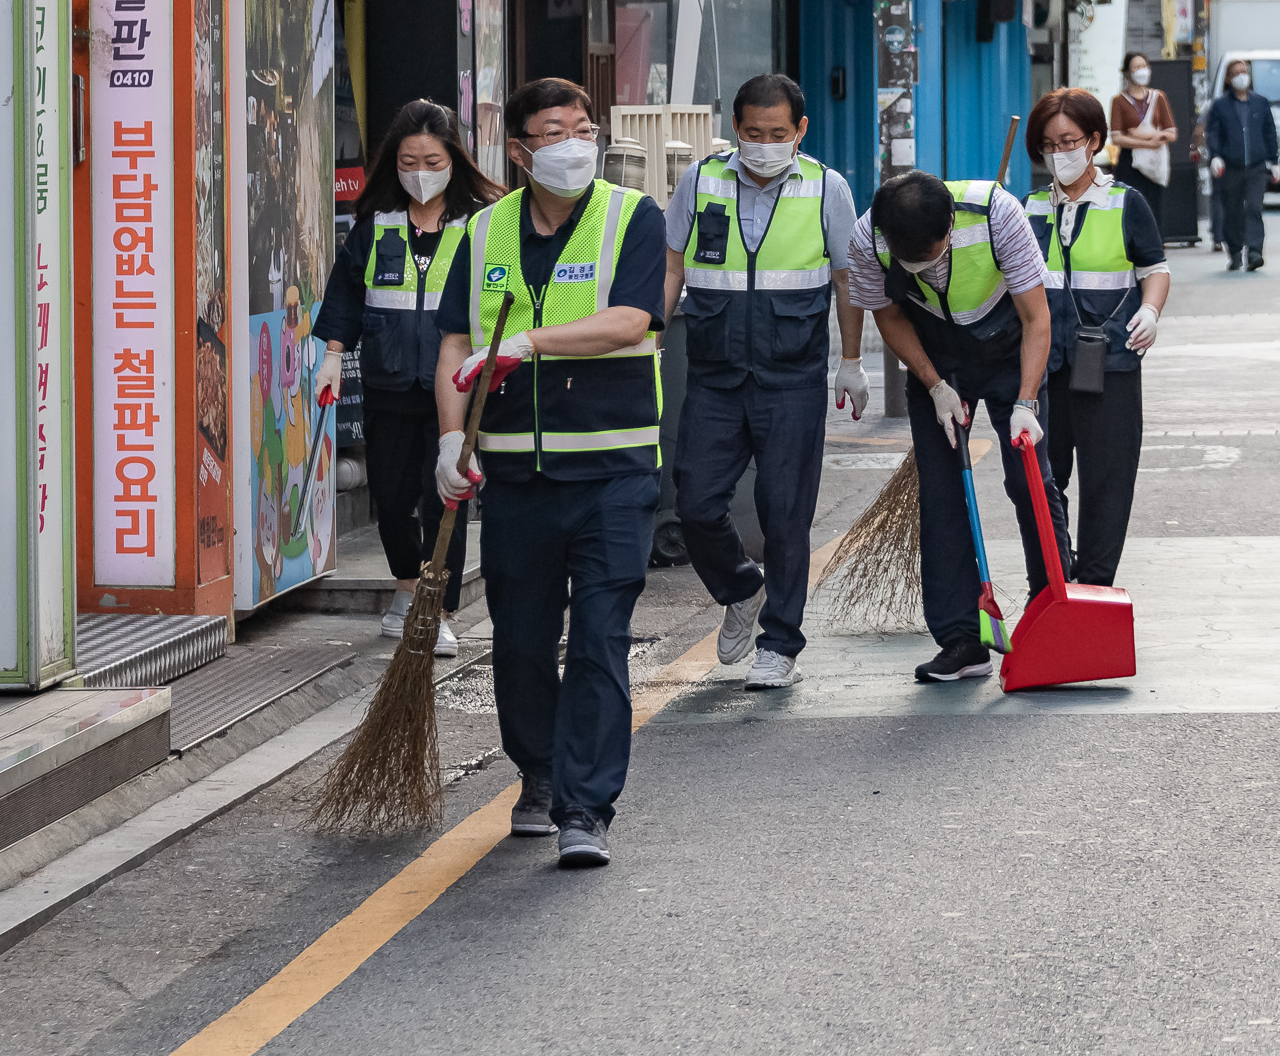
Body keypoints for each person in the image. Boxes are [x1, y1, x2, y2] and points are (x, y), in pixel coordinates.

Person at [433, 78, 667, 870]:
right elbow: (454, 346)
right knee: (523, 640)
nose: (574, 143)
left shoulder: (632, 217)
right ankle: (536, 768)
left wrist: (529, 345)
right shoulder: (482, 231)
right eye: (554, 131)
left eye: (583, 127)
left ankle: (586, 805)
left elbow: (631, 321)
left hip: (613, 470)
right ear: (520, 149)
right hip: (516, 478)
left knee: (601, 636)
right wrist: (445, 441)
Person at [660, 73, 862, 690]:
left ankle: (780, 643)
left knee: (785, 514)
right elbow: (673, 263)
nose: (764, 144)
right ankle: (740, 587)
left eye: (778, 133)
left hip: (792, 376)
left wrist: (849, 361)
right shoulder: (701, 180)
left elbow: (846, 278)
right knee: (694, 501)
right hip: (715, 373)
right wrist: (650, 332)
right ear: (735, 128)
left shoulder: (827, 188)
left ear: (800, 130)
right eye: (753, 133)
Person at [848, 169, 1074, 683]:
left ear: (949, 226)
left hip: (1007, 346)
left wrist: (1025, 402)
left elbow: (1038, 318)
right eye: (913, 264)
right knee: (942, 492)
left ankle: (1053, 616)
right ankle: (961, 640)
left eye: (931, 257)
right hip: (934, 354)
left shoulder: (996, 214)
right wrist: (934, 386)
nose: (924, 270)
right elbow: (889, 315)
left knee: (1029, 482)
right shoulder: (869, 237)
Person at [313, 100, 502, 657]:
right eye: (408, 161)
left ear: (454, 161)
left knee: (444, 494)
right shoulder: (376, 228)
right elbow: (345, 295)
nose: (420, 172)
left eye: (432, 160)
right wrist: (331, 355)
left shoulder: (481, 224)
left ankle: (435, 607)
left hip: (457, 390)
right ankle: (404, 588)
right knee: (392, 500)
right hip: (390, 385)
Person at [1025, 90, 1168, 586]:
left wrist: (1150, 310)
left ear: (1094, 141)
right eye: (1048, 144)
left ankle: (1095, 586)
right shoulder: (1026, 209)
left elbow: (1155, 269)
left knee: (1107, 481)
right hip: (1043, 368)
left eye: (1068, 141)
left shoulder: (1126, 203)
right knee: (1042, 482)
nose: (1059, 153)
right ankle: (1053, 579)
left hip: (1109, 363)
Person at [1203, 58, 1280, 271]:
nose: (1241, 76)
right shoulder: (1220, 106)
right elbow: (1213, 133)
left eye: (1244, 72)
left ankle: (1255, 251)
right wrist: (1216, 156)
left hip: (1256, 167)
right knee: (1233, 210)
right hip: (1231, 167)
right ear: (1229, 78)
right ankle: (1235, 250)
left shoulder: (1261, 103)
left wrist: (1274, 161)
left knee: (1254, 207)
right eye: (1236, 72)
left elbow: (1269, 133)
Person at [1107, 51, 1177, 202]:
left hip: (1153, 164)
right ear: (1127, 73)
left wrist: (1142, 136)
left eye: (1144, 66)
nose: (1142, 70)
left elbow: (1171, 133)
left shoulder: (1158, 97)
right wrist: (1148, 143)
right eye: (1136, 67)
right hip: (1129, 163)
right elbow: (1116, 137)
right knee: (1132, 206)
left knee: (1153, 208)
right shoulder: (1119, 101)